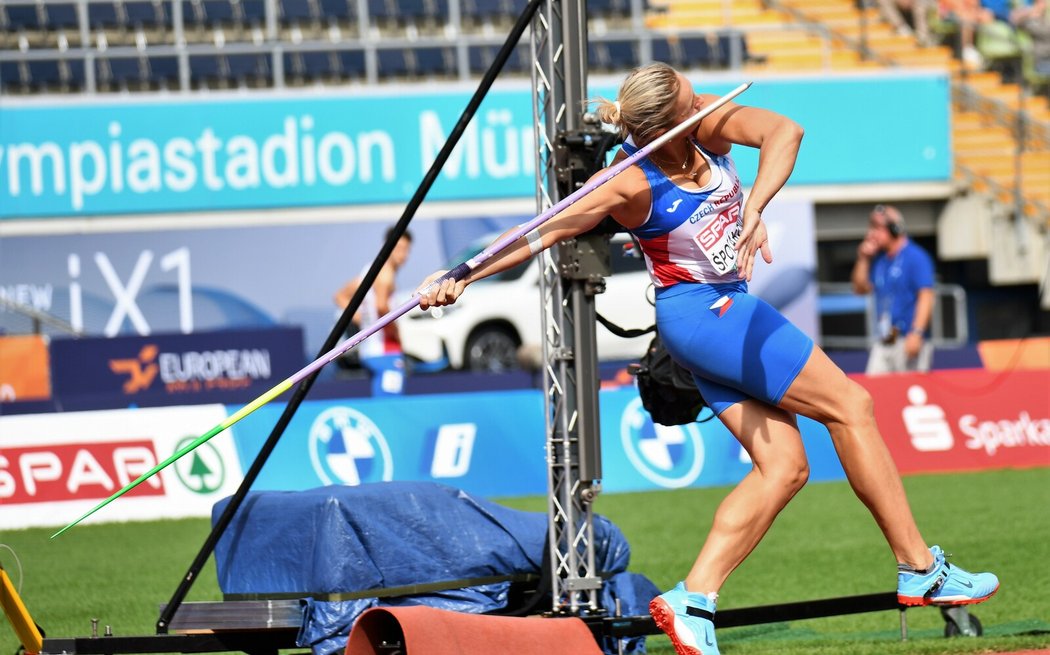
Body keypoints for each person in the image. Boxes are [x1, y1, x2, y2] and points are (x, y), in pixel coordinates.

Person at [417, 63, 999, 655]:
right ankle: (919, 566)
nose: (708, 106)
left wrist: (755, 207)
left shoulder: (705, 126)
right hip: (704, 315)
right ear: (664, 129)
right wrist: (460, 274)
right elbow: (537, 232)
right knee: (852, 405)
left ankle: (693, 599)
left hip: (719, 315)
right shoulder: (629, 182)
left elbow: (786, 132)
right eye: (694, 104)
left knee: (785, 467)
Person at [850, 204, 936, 375]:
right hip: (884, 340)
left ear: (895, 228)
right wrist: (863, 259)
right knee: (875, 391)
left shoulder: (915, 256)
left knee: (908, 391)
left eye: (878, 228)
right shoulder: (881, 261)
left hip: (907, 338)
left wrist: (917, 332)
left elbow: (926, 295)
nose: (872, 234)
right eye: (872, 228)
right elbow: (860, 288)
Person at [333, 227, 413, 375]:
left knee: (382, 397)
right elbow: (381, 307)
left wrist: (362, 320)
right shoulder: (386, 274)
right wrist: (396, 334)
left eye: (407, 249)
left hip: (369, 351)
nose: (404, 255)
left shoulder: (370, 271)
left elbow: (340, 296)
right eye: (400, 248)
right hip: (386, 351)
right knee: (391, 398)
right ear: (387, 246)